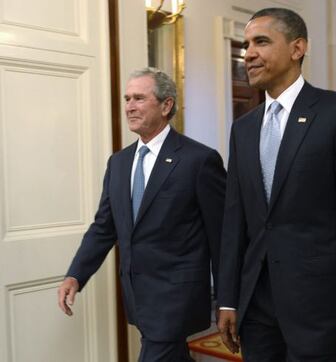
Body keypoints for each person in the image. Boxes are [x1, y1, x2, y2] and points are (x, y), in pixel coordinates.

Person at [217, 8, 336, 362]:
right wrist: (228, 299)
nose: (248, 53)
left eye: (261, 41)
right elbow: (235, 222)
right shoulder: (243, 129)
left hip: (320, 309)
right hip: (257, 308)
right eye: (246, 44)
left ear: (297, 48)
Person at [57, 68, 226, 362]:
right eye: (127, 99)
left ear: (166, 105)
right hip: (138, 295)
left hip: (177, 295)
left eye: (139, 98)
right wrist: (76, 274)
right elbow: (104, 227)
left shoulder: (199, 160)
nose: (129, 107)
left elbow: (222, 236)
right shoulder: (119, 163)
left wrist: (228, 301)